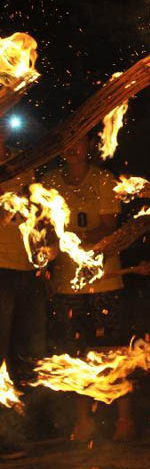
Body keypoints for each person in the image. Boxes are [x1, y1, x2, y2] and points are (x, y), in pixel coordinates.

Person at [42, 134, 133, 443]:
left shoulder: (104, 180)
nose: (72, 147)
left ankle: (124, 418)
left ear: (90, 145)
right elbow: (44, 230)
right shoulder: (51, 182)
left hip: (104, 280)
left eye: (78, 141)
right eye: (68, 141)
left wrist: (73, 241)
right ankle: (84, 421)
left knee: (113, 350)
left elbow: (109, 227)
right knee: (76, 352)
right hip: (66, 284)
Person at [0, 117, 46, 460]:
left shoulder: (23, 163)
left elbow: (40, 213)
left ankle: (23, 429)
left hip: (28, 272)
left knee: (27, 354)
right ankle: (5, 436)